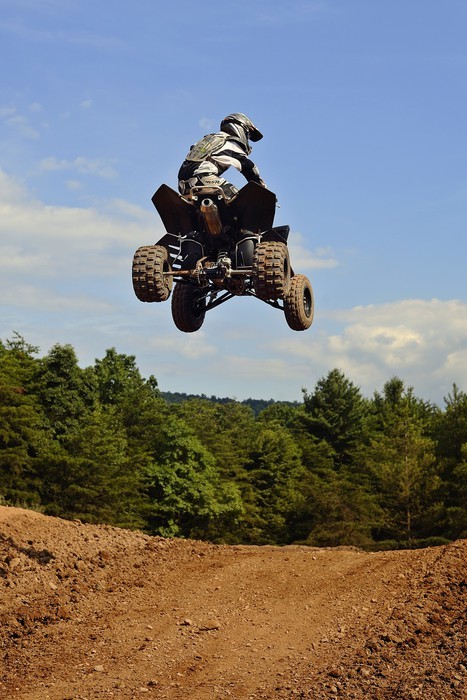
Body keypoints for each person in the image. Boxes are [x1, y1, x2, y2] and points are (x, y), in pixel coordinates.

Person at [178, 112, 266, 200]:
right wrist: (262, 188)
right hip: (204, 180)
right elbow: (248, 167)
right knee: (237, 198)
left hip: (182, 186)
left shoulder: (207, 139)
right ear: (241, 127)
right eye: (248, 135)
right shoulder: (231, 143)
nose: (247, 138)